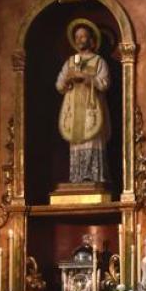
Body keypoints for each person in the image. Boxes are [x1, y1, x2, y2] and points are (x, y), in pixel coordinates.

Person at [56, 19, 111, 185]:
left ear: (90, 39)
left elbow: (105, 83)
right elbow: (59, 85)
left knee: (92, 140)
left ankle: (94, 177)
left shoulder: (99, 61)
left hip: (91, 108)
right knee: (77, 143)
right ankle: (77, 178)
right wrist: (67, 80)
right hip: (74, 110)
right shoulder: (71, 62)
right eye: (77, 36)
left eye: (83, 36)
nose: (80, 39)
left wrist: (87, 78)